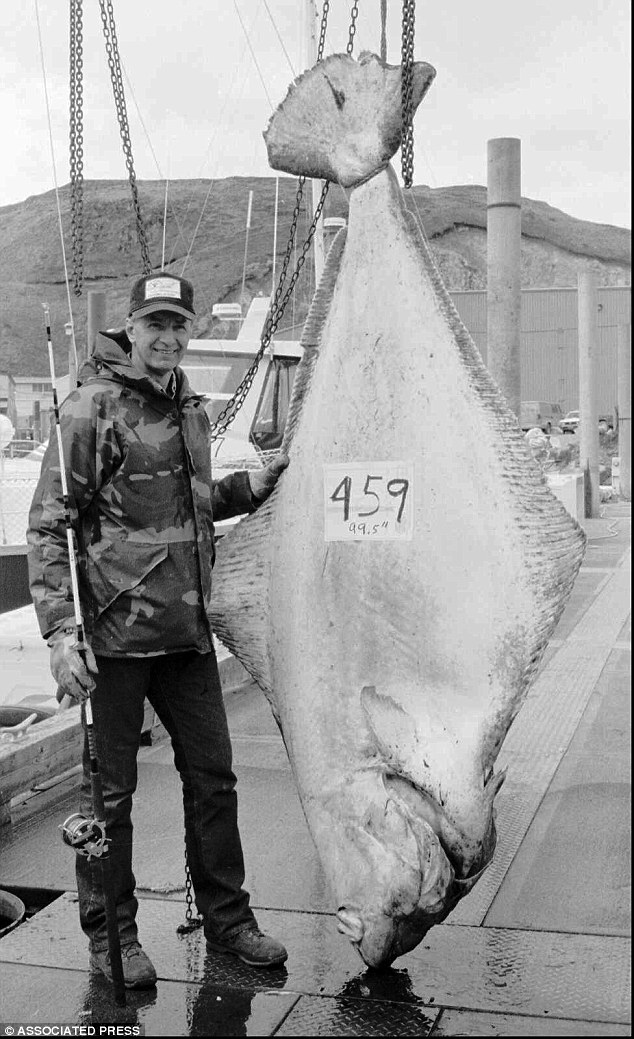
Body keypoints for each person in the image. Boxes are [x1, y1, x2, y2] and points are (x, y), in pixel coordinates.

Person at [27, 273, 289, 989]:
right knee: (108, 798)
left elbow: (194, 507)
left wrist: (247, 491)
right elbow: (49, 522)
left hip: (187, 636)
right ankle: (113, 935)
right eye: (155, 324)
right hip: (113, 640)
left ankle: (229, 921)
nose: (168, 336)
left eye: (178, 323)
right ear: (131, 327)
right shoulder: (91, 405)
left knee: (214, 780)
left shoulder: (191, 409)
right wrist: (59, 633)